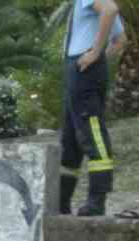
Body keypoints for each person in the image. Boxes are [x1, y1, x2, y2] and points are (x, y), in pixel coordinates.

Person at [60, 0, 127, 217]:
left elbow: (110, 10)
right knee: (70, 141)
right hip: (81, 69)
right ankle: (61, 202)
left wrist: (94, 53)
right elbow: (120, 40)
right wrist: (96, 59)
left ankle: (97, 201)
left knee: (92, 134)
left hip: (83, 71)